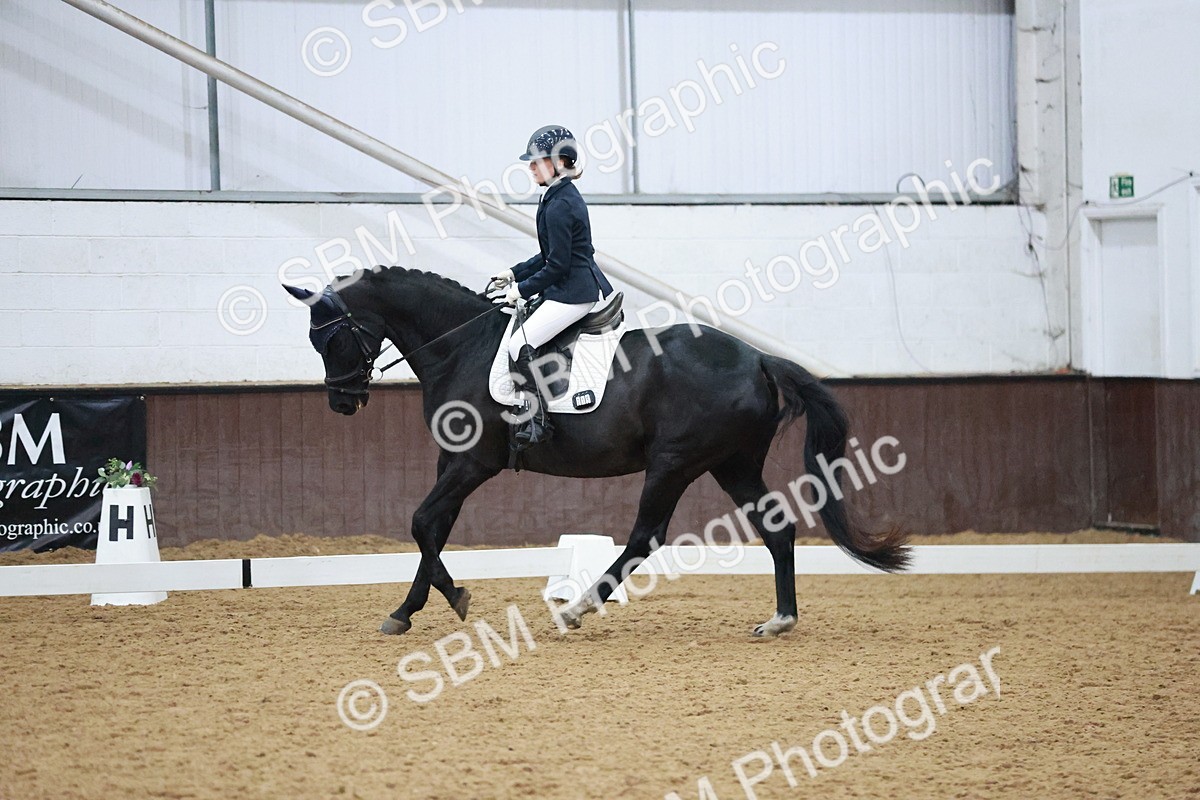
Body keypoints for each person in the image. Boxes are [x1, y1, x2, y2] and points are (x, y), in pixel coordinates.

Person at [491, 125, 614, 450]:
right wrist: (514, 274)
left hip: (573, 293)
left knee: (520, 345)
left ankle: (538, 421)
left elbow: (557, 265)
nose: (531, 167)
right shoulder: (557, 197)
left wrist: (523, 289)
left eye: (537, 161)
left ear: (559, 162)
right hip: (567, 285)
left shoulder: (561, 204)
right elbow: (549, 254)